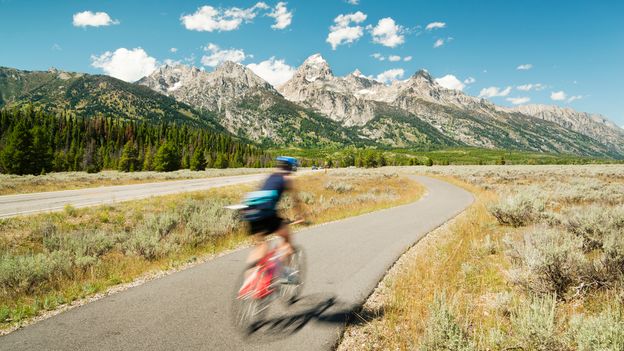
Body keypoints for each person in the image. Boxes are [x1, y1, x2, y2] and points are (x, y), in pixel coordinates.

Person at [242, 156, 304, 275]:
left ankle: (247, 284)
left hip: (250, 210)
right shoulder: (287, 179)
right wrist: (300, 217)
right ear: (292, 167)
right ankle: (287, 274)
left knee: (260, 246)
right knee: (286, 238)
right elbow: (295, 202)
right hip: (265, 212)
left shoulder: (270, 177)